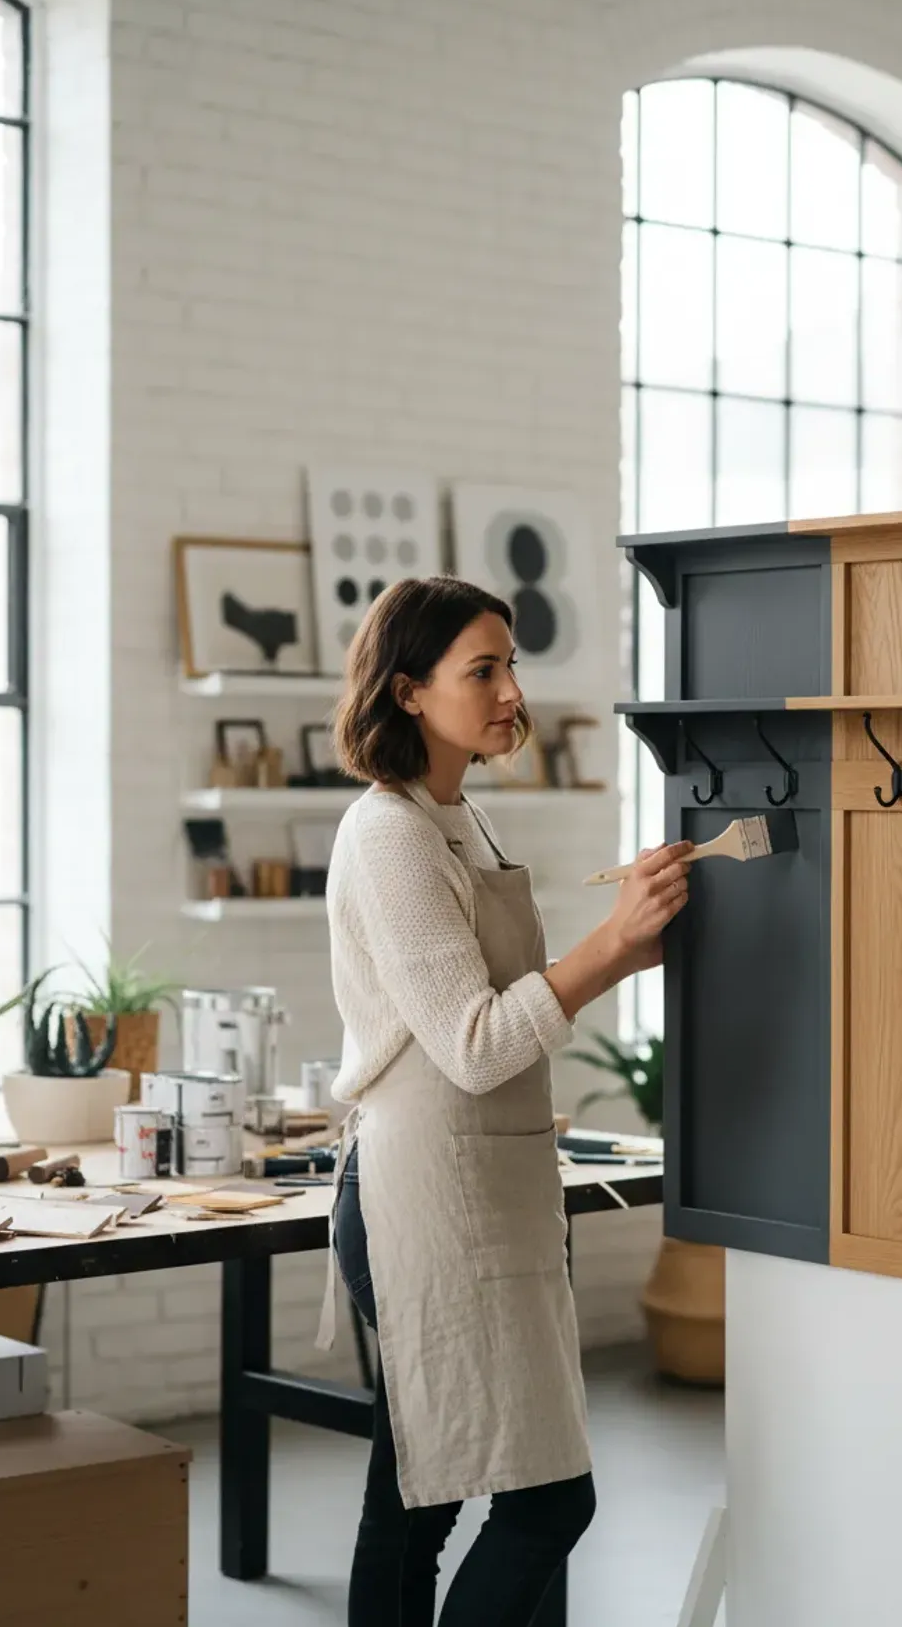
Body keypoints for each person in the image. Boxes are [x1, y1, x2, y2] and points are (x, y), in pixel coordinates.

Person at [318, 575, 692, 1626]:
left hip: (477, 1186)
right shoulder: (389, 833)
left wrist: (620, 946)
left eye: (510, 664)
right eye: (481, 669)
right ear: (406, 690)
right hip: (422, 1201)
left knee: (417, 1502)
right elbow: (475, 1045)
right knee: (546, 1501)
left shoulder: (455, 817)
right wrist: (612, 949)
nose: (509, 690)